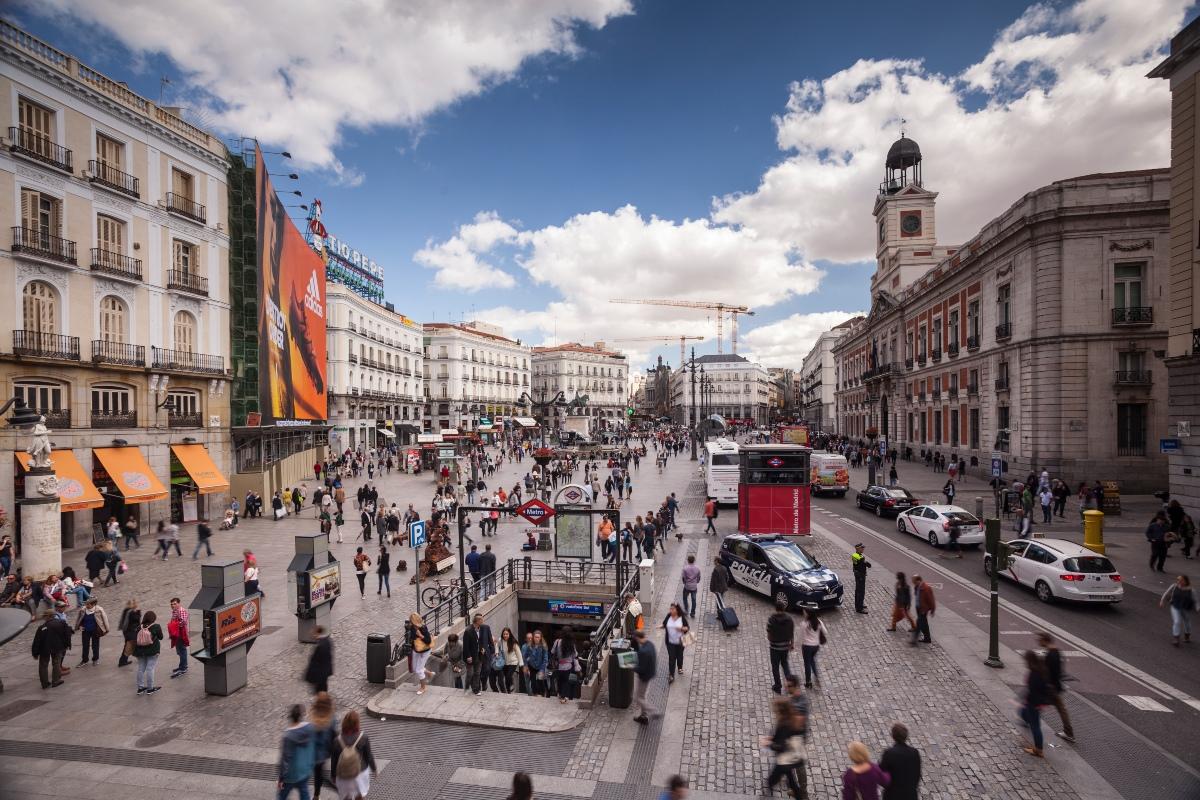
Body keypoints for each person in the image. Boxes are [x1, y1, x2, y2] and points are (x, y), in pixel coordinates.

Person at [761, 698, 807, 800]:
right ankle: (800, 797)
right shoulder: (792, 719)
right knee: (791, 782)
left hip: (785, 760)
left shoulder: (784, 724)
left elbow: (780, 746)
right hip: (794, 758)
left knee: (771, 781)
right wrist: (772, 738)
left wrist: (768, 744)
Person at [1035, 632, 1075, 742]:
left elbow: (1049, 673)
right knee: (1062, 709)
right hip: (1055, 687)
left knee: (1036, 704)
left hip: (1051, 688)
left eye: (1039, 639)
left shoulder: (1050, 655)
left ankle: (1029, 720)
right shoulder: (1057, 652)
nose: (1038, 641)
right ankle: (1068, 732)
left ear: (1045, 640)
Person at [277, 703, 316, 800]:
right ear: (301, 716)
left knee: (282, 796)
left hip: (291, 775)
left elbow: (285, 759)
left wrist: (281, 778)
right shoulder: (310, 728)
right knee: (304, 795)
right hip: (305, 771)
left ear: (291, 717)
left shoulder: (288, 736)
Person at [1020, 650, 1051, 757]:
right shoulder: (1040, 670)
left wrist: (1027, 701)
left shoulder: (1035, 674)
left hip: (1034, 704)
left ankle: (1038, 750)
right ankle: (1038, 748)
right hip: (1036, 703)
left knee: (1035, 727)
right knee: (1027, 716)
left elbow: (1033, 690)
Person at [879, 723, 921, 800]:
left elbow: (882, 772)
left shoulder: (889, 753)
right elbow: (917, 774)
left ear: (893, 736)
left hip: (892, 795)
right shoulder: (914, 752)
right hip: (910, 795)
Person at [309, 693, 339, 800]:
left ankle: (316, 796)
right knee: (324, 775)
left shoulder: (313, 718)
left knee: (319, 775)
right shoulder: (332, 719)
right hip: (326, 751)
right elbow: (334, 735)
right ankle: (340, 790)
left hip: (315, 754)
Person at [32, 608, 71, 688]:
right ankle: (56, 681)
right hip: (58, 647)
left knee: (43, 665)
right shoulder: (61, 623)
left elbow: (37, 641)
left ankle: (44, 683)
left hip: (44, 649)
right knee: (56, 663)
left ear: (47, 617)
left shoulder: (42, 627)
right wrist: (67, 645)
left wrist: (35, 653)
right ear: (54, 616)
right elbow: (67, 635)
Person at [766, 598, 795, 694]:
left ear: (776, 608)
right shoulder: (789, 619)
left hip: (774, 647)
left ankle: (777, 686)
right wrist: (792, 643)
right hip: (785, 646)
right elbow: (791, 633)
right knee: (785, 664)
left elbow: (769, 633)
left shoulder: (771, 619)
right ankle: (790, 685)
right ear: (784, 608)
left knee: (775, 667)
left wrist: (771, 639)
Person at [463, 613, 495, 696]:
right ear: (477, 621)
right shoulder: (468, 631)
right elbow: (466, 646)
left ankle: (476, 690)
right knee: (470, 673)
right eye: (481, 620)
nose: (483, 621)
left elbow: (480, 641)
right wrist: (468, 656)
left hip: (479, 655)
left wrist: (482, 649)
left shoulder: (481, 628)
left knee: (477, 672)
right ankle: (466, 687)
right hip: (470, 656)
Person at [1159, 574, 1196, 646]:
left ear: (1185, 581)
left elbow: (1196, 600)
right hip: (1175, 606)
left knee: (1187, 621)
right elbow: (1166, 593)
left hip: (1185, 608)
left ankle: (1187, 635)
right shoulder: (1174, 586)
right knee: (1177, 621)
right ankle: (1176, 638)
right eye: (1178, 580)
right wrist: (1162, 600)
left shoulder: (1191, 589)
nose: (1179, 581)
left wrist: (1197, 607)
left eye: (1181, 580)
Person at [133, 610, 164, 695]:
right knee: (150, 669)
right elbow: (161, 637)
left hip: (140, 651)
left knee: (141, 669)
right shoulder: (156, 626)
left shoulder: (139, 627)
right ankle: (150, 688)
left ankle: (140, 688)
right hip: (152, 651)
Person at [72, 596, 108, 666]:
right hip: (85, 631)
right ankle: (84, 660)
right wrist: (79, 626)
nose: (86, 605)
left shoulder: (99, 610)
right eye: (86, 604)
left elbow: (105, 619)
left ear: (93, 604)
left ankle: (95, 659)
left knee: (95, 645)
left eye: (88, 604)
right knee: (85, 646)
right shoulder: (83, 610)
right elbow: (79, 619)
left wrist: (106, 629)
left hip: (95, 630)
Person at [631, 629, 657, 725]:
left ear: (637, 638)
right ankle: (644, 716)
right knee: (642, 696)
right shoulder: (650, 644)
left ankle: (653, 711)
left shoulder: (643, 651)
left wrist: (632, 667)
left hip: (644, 677)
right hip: (650, 673)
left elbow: (641, 669)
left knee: (638, 698)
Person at [661, 603, 690, 684]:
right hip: (670, 642)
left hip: (680, 641)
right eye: (670, 609)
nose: (671, 610)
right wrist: (661, 626)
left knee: (679, 655)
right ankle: (671, 675)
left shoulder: (681, 617)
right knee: (672, 657)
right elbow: (664, 624)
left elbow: (687, 628)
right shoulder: (668, 616)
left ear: (677, 610)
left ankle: (680, 667)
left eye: (673, 609)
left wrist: (681, 628)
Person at [407, 612, 435, 694]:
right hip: (416, 649)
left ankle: (423, 687)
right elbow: (412, 639)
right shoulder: (412, 627)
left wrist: (420, 635)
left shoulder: (423, 628)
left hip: (425, 650)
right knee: (415, 668)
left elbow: (428, 641)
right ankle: (429, 673)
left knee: (419, 670)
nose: (410, 622)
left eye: (411, 621)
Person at [551, 626, 581, 701]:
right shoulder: (572, 643)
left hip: (559, 665)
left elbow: (552, 652)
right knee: (566, 681)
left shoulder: (557, 641)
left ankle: (560, 694)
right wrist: (577, 667)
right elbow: (575, 655)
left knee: (559, 680)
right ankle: (563, 696)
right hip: (568, 666)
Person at [799, 610, 827, 689]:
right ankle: (816, 676)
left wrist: (797, 645)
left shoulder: (804, 624)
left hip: (807, 646)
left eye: (804, 613)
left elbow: (801, 637)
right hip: (816, 646)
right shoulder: (819, 622)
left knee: (807, 663)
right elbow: (825, 632)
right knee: (812, 660)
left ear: (808, 614)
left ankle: (808, 682)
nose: (803, 614)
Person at [305, 626, 334, 694]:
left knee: (320, 690)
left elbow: (316, 662)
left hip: (320, 674)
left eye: (314, 634)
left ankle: (322, 701)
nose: (313, 635)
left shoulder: (320, 646)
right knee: (323, 689)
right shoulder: (327, 641)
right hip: (325, 672)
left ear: (318, 633)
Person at [168, 597, 190, 678]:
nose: (173, 605)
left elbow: (183, 622)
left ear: (179, 603)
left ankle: (184, 668)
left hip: (181, 633)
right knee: (179, 651)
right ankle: (182, 666)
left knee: (182, 650)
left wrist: (174, 626)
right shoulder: (175, 611)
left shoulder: (181, 611)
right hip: (177, 633)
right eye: (171, 604)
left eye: (174, 604)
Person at [498, 626, 524, 693]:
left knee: (508, 676)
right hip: (504, 662)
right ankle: (508, 690)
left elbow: (519, 653)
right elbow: (496, 646)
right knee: (506, 677)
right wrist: (496, 652)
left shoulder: (513, 642)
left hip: (513, 662)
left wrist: (521, 663)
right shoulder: (500, 640)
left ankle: (511, 685)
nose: (505, 635)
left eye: (507, 634)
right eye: (504, 634)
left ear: (509, 634)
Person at [911, 575, 935, 645]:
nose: (913, 583)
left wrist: (932, 610)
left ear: (918, 580)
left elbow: (931, 600)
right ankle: (927, 638)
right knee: (924, 624)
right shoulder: (917, 587)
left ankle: (914, 640)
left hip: (923, 609)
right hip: (918, 608)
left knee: (919, 623)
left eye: (914, 582)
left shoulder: (926, 588)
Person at [117, 599, 140, 668]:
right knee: (130, 646)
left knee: (129, 646)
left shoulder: (126, 610)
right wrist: (138, 611)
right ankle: (122, 661)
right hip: (131, 632)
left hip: (126, 631)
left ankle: (123, 661)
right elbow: (137, 620)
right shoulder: (132, 612)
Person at [851, 543, 870, 613]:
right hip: (860, 576)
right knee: (861, 591)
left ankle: (859, 604)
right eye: (862, 548)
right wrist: (867, 563)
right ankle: (859, 608)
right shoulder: (860, 557)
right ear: (858, 549)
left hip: (857, 574)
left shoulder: (855, 555)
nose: (863, 549)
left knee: (858, 591)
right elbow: (866, 565)